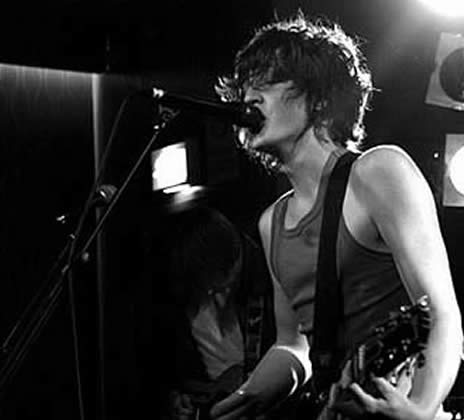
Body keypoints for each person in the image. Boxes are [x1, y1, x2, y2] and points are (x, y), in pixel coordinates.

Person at [209, 12, 463, 420]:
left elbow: (441, 314)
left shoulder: (379, 172)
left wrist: (419, 409)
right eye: (246, 87)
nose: (249, 98)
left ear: (321, 98)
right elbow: (293, 346)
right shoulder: (271, 222)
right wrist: (247, 396)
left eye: (267, 82)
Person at [153, 206, 275, 420]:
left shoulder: (271, 278)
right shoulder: (180, 292)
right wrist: (175, 398)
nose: (210, 292)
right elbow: (166, 368)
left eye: (217, 285)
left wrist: (251, 379)